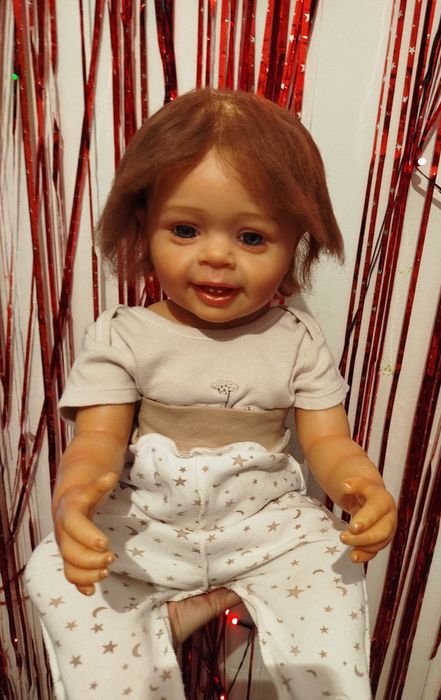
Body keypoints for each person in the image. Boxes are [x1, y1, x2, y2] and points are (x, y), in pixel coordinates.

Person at [24, 88, 397, 700]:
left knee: (331, 564)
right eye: (185, 229)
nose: (217, 256)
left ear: (297, 242)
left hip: (265, 529)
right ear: (143, 226)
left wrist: (363, 487)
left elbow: (329, 441)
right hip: (150, 526)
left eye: (251, 238)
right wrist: (74, 497)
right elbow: (97, 440)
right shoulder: (124, 334)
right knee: (52, 574)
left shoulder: (296, 338)